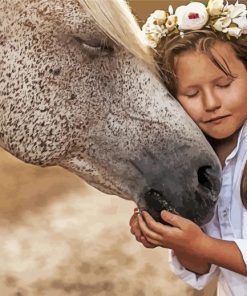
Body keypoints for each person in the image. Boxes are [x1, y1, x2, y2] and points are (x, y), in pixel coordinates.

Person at [129, 1, 247, 295]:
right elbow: (202, 269)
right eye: (192, 93)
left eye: (224, 84)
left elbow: (207, 248)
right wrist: (175, 236)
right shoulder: (196, 168)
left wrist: (202, 244)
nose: (211, 103)